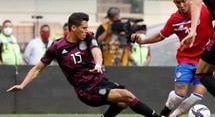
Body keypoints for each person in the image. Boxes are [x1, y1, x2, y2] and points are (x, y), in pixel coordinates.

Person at [7, 12, 161, 117]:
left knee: (123, 102)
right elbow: (37, 69)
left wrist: (99, 64)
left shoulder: (88, 37)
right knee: (127, 95)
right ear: (73, 28)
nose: (87, 30)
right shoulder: (57, 47)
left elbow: (96, 51)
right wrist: (23, 84)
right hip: (87, 90)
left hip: (101, 81)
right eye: (84, 27)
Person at [131, 0, 214, 117]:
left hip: (205, 60)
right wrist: (143, 41)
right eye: (177, 2)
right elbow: (160, 35)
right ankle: (166, 110)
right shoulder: (174, 19)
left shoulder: (205, 10)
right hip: (185, 59)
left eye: (183, 1)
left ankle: (170, 116)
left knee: (197, 96)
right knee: (179, 95)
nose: (181, 5)